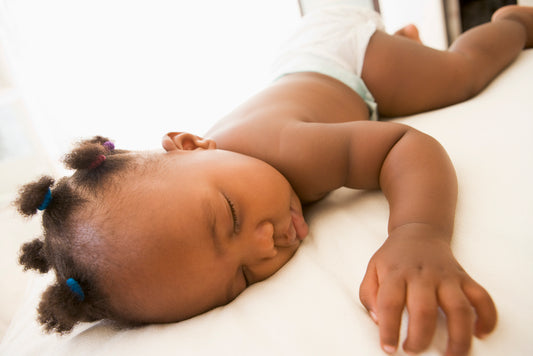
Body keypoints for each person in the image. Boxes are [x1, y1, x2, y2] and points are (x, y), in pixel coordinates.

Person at [13, 4, 533, 356]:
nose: (265, 244)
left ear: (194, 144)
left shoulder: (286, 150)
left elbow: (402, 145)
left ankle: (514, 20)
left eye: (232, 216)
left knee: (459, 74)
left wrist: (418, 233)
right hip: (299, 71)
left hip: (348, 60)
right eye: (240, 277)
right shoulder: (205, 177)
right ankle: (406, 47)